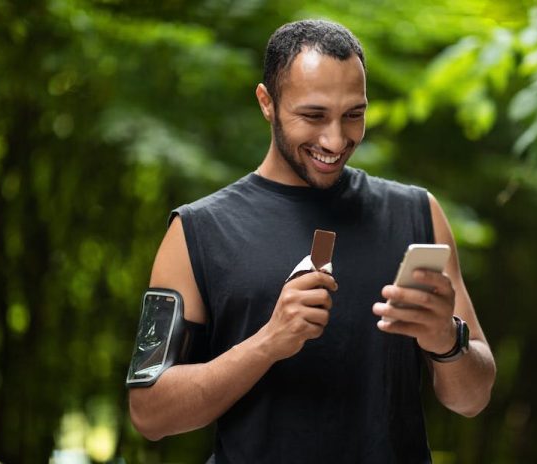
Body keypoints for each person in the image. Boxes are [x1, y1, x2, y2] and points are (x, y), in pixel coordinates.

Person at [128, 19, 496, 463]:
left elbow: (473, 399)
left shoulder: (417, 215)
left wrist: (445, 339)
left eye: (354, 115)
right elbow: (149, 413)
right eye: (314, 116)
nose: (336, 139)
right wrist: (269, 341)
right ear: (267, 102)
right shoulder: (195, 232)